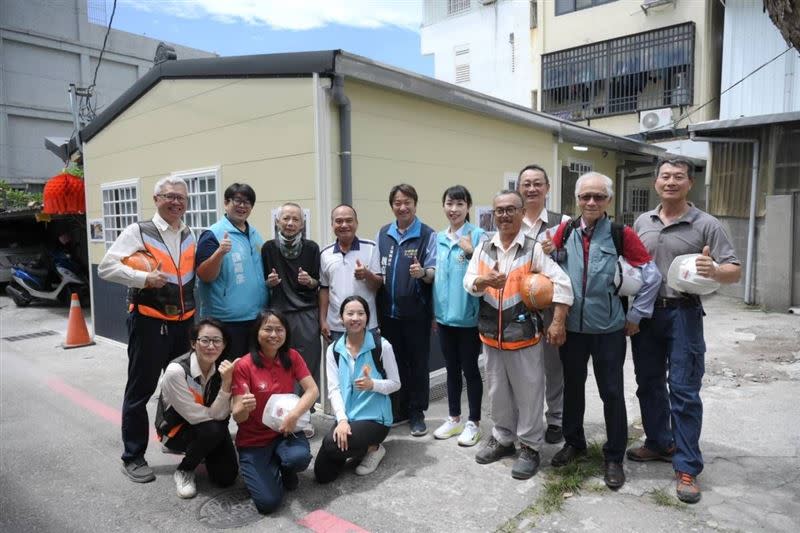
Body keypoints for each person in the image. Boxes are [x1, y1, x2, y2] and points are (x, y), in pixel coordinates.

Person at [628, 158, 741, 503]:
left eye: (678, 176)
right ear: (656, 182)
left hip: (684, 314)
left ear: (690, 183)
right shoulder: (642, 221)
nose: (671, 181)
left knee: (684, 389)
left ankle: (688, 466)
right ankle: (659, 442)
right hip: (646, 316)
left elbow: (733, 269)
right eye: (665, 176)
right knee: (648, 384)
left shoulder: (706, 224)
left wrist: (716, 271)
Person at [542, 172, 661, 489]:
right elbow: (546, 267)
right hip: (572, 329)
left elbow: (651, 276)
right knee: (573, 388)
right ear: (577, 200)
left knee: (611, 392)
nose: (591, 202)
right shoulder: (564, 231)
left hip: (609, 329)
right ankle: (574, 443)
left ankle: (613, 457)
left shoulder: (622, 234)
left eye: (598, 196)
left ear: (608, 200)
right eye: (585, 197)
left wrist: (636, 313)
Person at [464, 190, 573, 480]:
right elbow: (469, 281)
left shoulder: (534, 249)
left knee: (529, 394)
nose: (504, 215)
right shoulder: (484, 248)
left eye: (511, 209)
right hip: (490, 337)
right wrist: (483, 280)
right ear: (493, 214)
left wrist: (557, 322)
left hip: (524, 335)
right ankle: (502, 438)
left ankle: (529, 446)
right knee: (498, 392)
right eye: (499, 210)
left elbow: (562, 284)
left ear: (522, 212)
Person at [98, 176, 196, 483]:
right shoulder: (138, 231)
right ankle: (133, 455)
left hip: (184, 324)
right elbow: (106, 267)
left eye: (181, 197)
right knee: (141, 390)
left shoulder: (189, 232)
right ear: (156, 200)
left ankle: (177, 440)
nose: (176, 201)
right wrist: (141, 279)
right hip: (150, 322)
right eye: (169, 196)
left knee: (180, 388)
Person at [231, 310, 319, 514]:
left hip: (285, 432)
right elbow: (237, 415)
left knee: (299, 458)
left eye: (279, 329)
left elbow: (313, 390)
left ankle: (283, 466)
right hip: (253, 440)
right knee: (268, 503)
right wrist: (245, 406)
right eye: (267, 329)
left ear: (286, 333)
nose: (274, 335)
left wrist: (294, 415)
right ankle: (264, 466)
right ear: (257, 333)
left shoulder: (292, 356)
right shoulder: (244, 365)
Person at [314, 296, 401, 482]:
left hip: (375, 418)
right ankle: (356, 447)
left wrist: (373, 385)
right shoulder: (334, 350)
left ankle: (374, 448)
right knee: (322, 474)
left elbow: (396, 383)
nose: (355, 318)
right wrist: (342, 420)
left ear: (367, 318)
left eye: (361, 313)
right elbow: (334, 389)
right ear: (341, 318)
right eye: (350, 313)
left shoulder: (381, 346)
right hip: (348, 416)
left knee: (331, 444)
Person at [375, 184, 437, 436]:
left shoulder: (426, 233)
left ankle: (416, 412)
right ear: (392, 206)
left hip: (416, 313)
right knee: (394, 364)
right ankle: (399, 409)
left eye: (407, 202)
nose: (402, 207)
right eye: (398, 203)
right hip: (388, 314)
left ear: (415, 204)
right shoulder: (383, 233)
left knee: (418, 364)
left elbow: (433, 273)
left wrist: (422, 273)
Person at [517, 164, 572, 444]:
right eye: (526, 184)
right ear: (519, 188)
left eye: (537, 183)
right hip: (518, 306)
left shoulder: (562, 221)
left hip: (550, 305)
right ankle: (528, 419)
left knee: (553, 366)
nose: (531, 189)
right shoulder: (511, 220)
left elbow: (574, 263)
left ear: (548, 188)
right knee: (524, 367)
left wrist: (559, 252)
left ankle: (556, 419)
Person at [157, 318, 239, 498]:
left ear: (224, 344)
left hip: (211, 425)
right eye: (205, 340)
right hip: (177, 429)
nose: (211, 346)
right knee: (214, 429)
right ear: (193, 343)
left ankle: (204, 450)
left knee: (226, 478)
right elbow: (197, 416)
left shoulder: (224, 367)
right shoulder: (176, 371)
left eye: (217, 341)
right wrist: (226, 387)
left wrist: (226, 383)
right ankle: (184, 470)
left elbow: (227, 412)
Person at [431, 185, 486, 446]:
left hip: (468, 318)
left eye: (459, 204)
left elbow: (489, 271)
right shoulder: (439, 238)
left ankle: (474, 422)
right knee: (451, 369)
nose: (454, 209)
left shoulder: (479, 236)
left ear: (468, 207)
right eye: (449, 204)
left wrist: (471, 251)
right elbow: (438, 277)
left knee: (471, 370)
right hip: (444, 318)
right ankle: (454, 419)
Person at [196, 183, 267, 360]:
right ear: (226, 203)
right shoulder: (213, 234)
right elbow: (204, 275)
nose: (243, 206)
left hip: (256, 318)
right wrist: (220, 252)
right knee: (226, 375)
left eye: (248, 202)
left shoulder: (255, 234)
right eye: (238, 201)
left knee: (249, 374)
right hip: (226, 322)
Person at [262, 203, 322, 388]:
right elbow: (263, 282)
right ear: (277, 221)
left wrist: (309, 281)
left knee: (308, 363)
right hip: (278, 313)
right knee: (278, 361)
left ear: (302, 224)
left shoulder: (311, 248)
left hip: (306, 313)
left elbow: (318, 282)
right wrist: (269, 282)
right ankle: (282, 407)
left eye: (295, 219)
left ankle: (305, 407)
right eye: (286, 218)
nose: (290, 223)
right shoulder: (268, 248)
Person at [319, 205, 382, 344]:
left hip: (366, 325)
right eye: (339, 221)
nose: (344, 225)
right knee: (336, 364)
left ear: (356, 223)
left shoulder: (371, 248)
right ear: (332, 224)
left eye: (349, 220)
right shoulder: (325, 254)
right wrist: (323, 320)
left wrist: (367, 274)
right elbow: (324, 289)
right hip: (335, 327)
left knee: (368, 366)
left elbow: (378, 284)